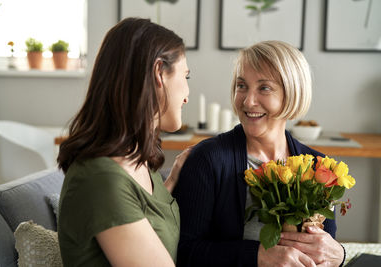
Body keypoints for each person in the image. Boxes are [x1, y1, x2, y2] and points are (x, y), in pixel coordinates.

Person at [173, 40, 345, 267]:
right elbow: (183, 252)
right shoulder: (207, 159)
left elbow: (325, 249)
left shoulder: (319, 168)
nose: (248, 100)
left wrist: (339, 255)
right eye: (241, 86)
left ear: (292, 93)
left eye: (264, 88)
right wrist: (257, 256)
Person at [57, 17, 191, 266]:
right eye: (186, 77)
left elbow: (143, 213)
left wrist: (174, 177)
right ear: (159, 72)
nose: (187, 95)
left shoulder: (138, 161)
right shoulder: (101, 178)